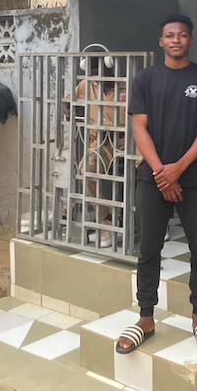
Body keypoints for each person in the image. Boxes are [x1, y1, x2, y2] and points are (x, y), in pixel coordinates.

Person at [117, 14, 197, 354]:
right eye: (169, 35)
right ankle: (146, 317)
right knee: (148, 248)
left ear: (191, 41)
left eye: (182, 35)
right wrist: (162, 173)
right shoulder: (146, 79)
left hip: (195, 177)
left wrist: (177, 169)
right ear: (161, 42)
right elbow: (139, 128)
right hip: (153, 177)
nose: (176, 39)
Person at [64, 47, 125, 248]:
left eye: (98, 70)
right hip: (101, 143)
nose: (94, 76)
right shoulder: (86, 86)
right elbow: (69, 102)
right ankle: (106, 220)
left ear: (110, 67)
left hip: (129, 140)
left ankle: (153, 221)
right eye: (90, 71)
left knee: (149, 169)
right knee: (85, 170)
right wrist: (69, 110)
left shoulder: (126, 87)